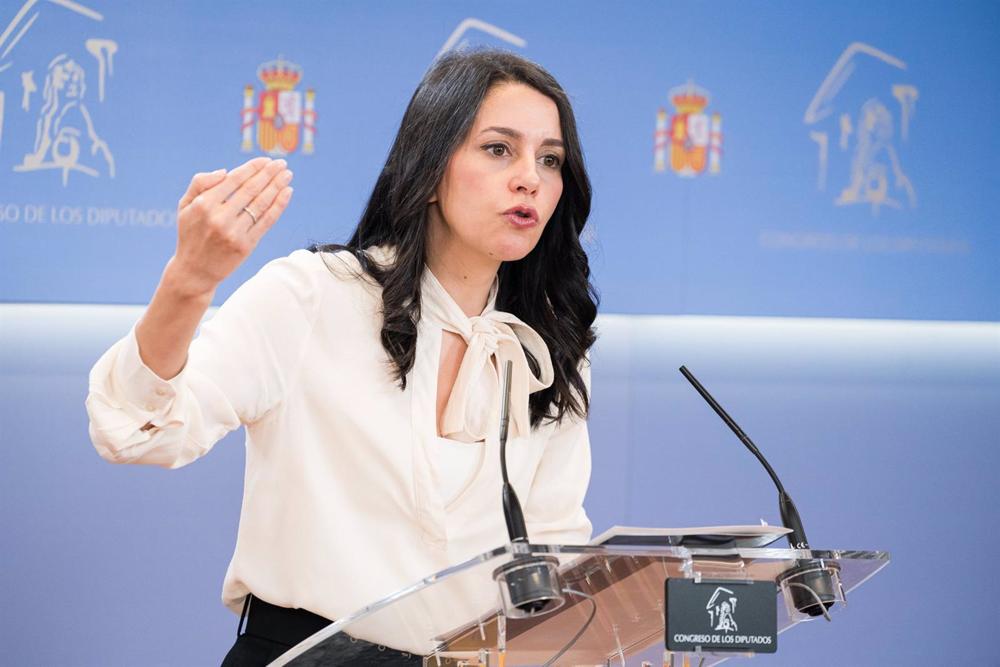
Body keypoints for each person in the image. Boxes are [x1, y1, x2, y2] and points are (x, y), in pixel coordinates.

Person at [86, 49, 597, 666]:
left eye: (550, 160)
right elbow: (138, 429)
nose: (530, 179)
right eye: (498, 149)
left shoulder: (547, 348)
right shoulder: (315, 294)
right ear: (431, 165)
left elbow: (556, 552)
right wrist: (188, 282)